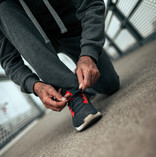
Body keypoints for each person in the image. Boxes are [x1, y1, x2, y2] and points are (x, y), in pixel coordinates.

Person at [0, 0, 120, 131]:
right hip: (36, 43)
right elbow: (8, 59)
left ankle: (81, 84)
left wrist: (89, 53)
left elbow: (92, 4)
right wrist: (35, 86)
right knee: (2, 8)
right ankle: (73, 93)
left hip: (73, 30)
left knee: (110, 84)